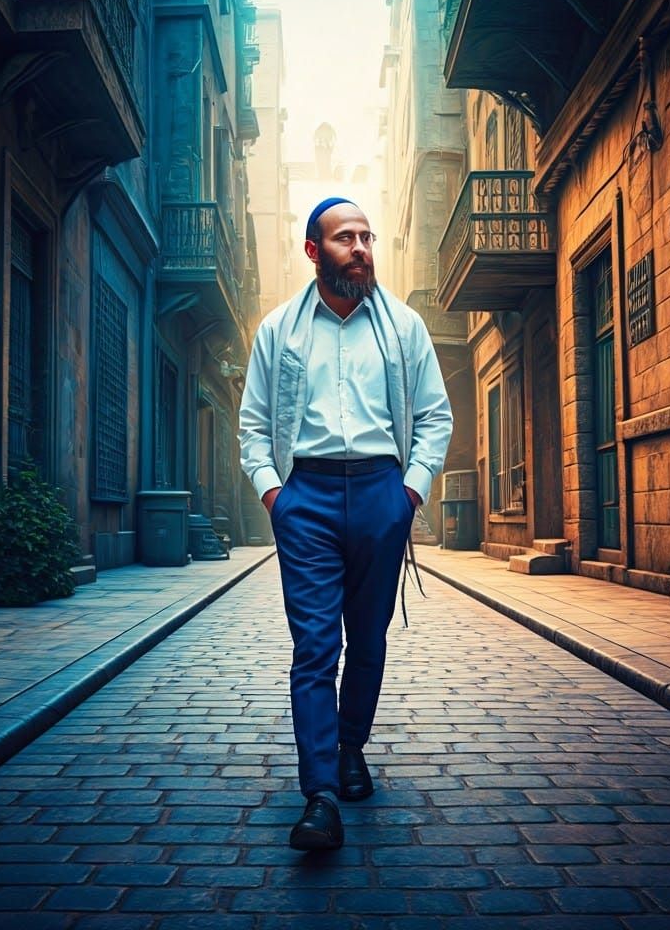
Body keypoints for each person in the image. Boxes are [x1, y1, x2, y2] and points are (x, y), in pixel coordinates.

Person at [238, 197, 453, 850]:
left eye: (366, 236)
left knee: (368, 639)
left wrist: (409, 495)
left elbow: (435, 417)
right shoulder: (278, 331)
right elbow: (252, 428)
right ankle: (320, 795)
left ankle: (351, 746)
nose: (361, 248)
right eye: (344, 238)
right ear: (313, 252)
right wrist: (278, 496)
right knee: (314, 646)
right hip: (308, 497)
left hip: (382, 496)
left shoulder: (404, 328)